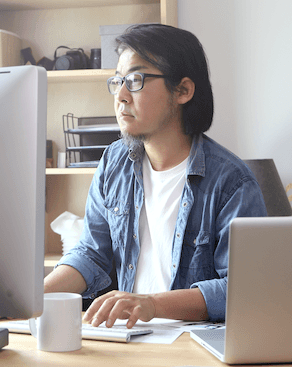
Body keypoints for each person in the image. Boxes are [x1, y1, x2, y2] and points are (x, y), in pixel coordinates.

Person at [43, 24, 267, 328]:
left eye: (135, 80)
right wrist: (31, 297)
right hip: (125, 338)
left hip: (193, 344)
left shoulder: (232, 182)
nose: (121, 95)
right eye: (118, 80)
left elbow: (243, 291)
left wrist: (151, 304)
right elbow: (91, 255)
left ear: (183, 90)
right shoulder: (113, 162)